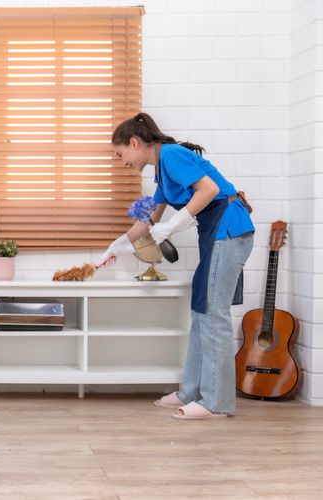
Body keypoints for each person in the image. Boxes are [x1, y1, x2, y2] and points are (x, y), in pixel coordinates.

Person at [98, 112, 254, 420]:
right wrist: (117, 245)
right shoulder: (161, 170)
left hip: (229, 229)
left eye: (120, 154)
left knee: (214, 315)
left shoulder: (170, 155)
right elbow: (150, 219)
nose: (121, 161)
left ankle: (216, 403)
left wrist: (176, 224)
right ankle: (191, 392)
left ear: (134, 142)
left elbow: (208, 189)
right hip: (217, 233)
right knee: (201, 313)